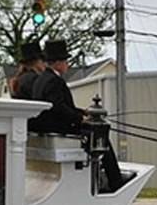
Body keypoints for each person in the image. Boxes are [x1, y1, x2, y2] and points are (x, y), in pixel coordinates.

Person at [31, 39, 124, 192]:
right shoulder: (54, 81)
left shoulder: (41, 80)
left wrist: (83, 113)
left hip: (48, 125)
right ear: (58, 63)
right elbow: (58, 107)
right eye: (66, 61)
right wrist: (80, 119)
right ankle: (115, 181)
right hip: (58, 127)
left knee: (96, 135)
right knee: (101, 138)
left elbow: (64, 106)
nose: (67, 64)